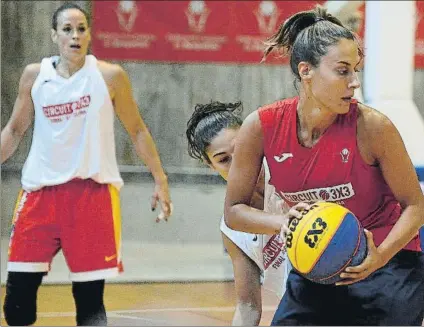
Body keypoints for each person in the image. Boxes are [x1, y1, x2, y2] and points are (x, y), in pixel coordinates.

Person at [224, 5, 424, 326]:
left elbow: (415, 206)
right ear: (306, 70)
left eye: (356, 70)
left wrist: (379, 257)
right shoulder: (261, 126)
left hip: (389, 262)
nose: (355, 82)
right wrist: (282, 223)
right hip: (318, 263)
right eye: (343, 71)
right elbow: (233, 211)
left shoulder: (373, 127)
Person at [1, 3, 172, 326]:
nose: (75, 35)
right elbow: (13, 130)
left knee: (89, 300)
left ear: (90, 34)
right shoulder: (35, 76)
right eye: (67, 29)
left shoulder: (110, 77)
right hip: (38, 196)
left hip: (92, 197)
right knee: (18, 303)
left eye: (81, 28)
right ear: (55, 35)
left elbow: (136, 130)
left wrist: (160, 180)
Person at [186, 101, 290, 325]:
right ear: (210, 165)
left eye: (242, 149)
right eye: (224, 160)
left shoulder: (289, 172)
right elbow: (248, 307)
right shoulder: (232, 230)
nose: (238, 163)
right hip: (304, 307)